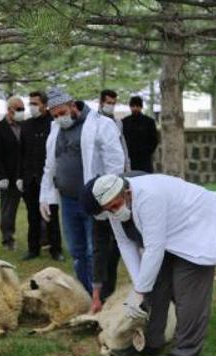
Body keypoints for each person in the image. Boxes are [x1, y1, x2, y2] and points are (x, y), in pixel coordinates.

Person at [83, 174, 216, 356]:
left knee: (188, 295)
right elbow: (126, 244)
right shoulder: (114, 206)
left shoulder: (149, 196)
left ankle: (186, 351)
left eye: (115, 206)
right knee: (155, 287)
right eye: (109, 210)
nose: (114, 212)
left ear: (127, 193)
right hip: (169, 235)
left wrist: (139, 291)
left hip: (197, 230)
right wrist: (139, 286)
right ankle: (152, 342)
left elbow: (154, 247)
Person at [39, 87, 126, 294]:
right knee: (77, 251)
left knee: (94, 250)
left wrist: (110, 193)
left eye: (62, 113)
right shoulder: (55, 130)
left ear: (72, 105)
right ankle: (86, 295)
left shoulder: (100, 124)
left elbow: (115, 161)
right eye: (55, 115)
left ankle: (102, 295)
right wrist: (45, 193)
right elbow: (50, 165)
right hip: (68, 200)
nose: (59, 118)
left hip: (94, 199)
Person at [91, 89, 132, 311]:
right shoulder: (93, 124)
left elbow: (123, 151)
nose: (111, 106)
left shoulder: (117, 123)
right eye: (108, 102)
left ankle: (109, 290)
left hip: (118, 186)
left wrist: (127, 174)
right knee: (99, 245)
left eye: (114, 103)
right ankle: (98, 292)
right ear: (100, 102)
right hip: (99, 189)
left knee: (119, 243)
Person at [20, 91, 63, 261]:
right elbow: (21, 153)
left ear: (45, 105)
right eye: (30, 103)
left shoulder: (53, 124)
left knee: (51, 214)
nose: (32, 107)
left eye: (35, 103)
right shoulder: (26, 125)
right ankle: (33, 249)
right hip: (30, 178)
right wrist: (20, 176)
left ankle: (56, 249)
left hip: (48, 178)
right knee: (32, 216)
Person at [0, 96, 26, 251]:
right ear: (9, 110)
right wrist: (2, 176)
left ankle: (42, 239)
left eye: (22, 109)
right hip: (9, 176)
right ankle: (8, 240)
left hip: (25, 174)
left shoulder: (26, 126)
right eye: (18, 109)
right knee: (8, 211)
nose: (21, 112)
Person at [122, 96, 159, 173]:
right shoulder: (124, 122)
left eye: (137, 106)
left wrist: (147, 152)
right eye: (133, 106)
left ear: (141, 107)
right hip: (129, 159)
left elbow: (154, 140)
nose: (135, 108)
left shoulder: (149, 122)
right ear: (130, 107)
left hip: (145, 160)